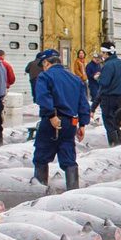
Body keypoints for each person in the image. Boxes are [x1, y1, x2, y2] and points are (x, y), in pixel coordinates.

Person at [32, 48, 88, 191]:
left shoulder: (45, 77)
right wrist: (82, 124)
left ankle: (40, 191)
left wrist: (51, 116)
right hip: (71, 123)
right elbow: (83, 103)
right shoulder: (75, 79)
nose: (42, 67)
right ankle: (73, 190)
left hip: (52, 121)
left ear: (46, 62)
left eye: (42, 64)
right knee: (68, 156)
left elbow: (43, 97)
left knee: (41, 156)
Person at [92, 41, 121, 146]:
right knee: (117, 123)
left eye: (102, 53)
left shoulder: (108, 65)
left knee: (110, 125)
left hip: (108, 98)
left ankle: (114, 145)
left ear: (105, 53)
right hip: (120, 98)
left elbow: (104, 83)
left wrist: (98, 78)